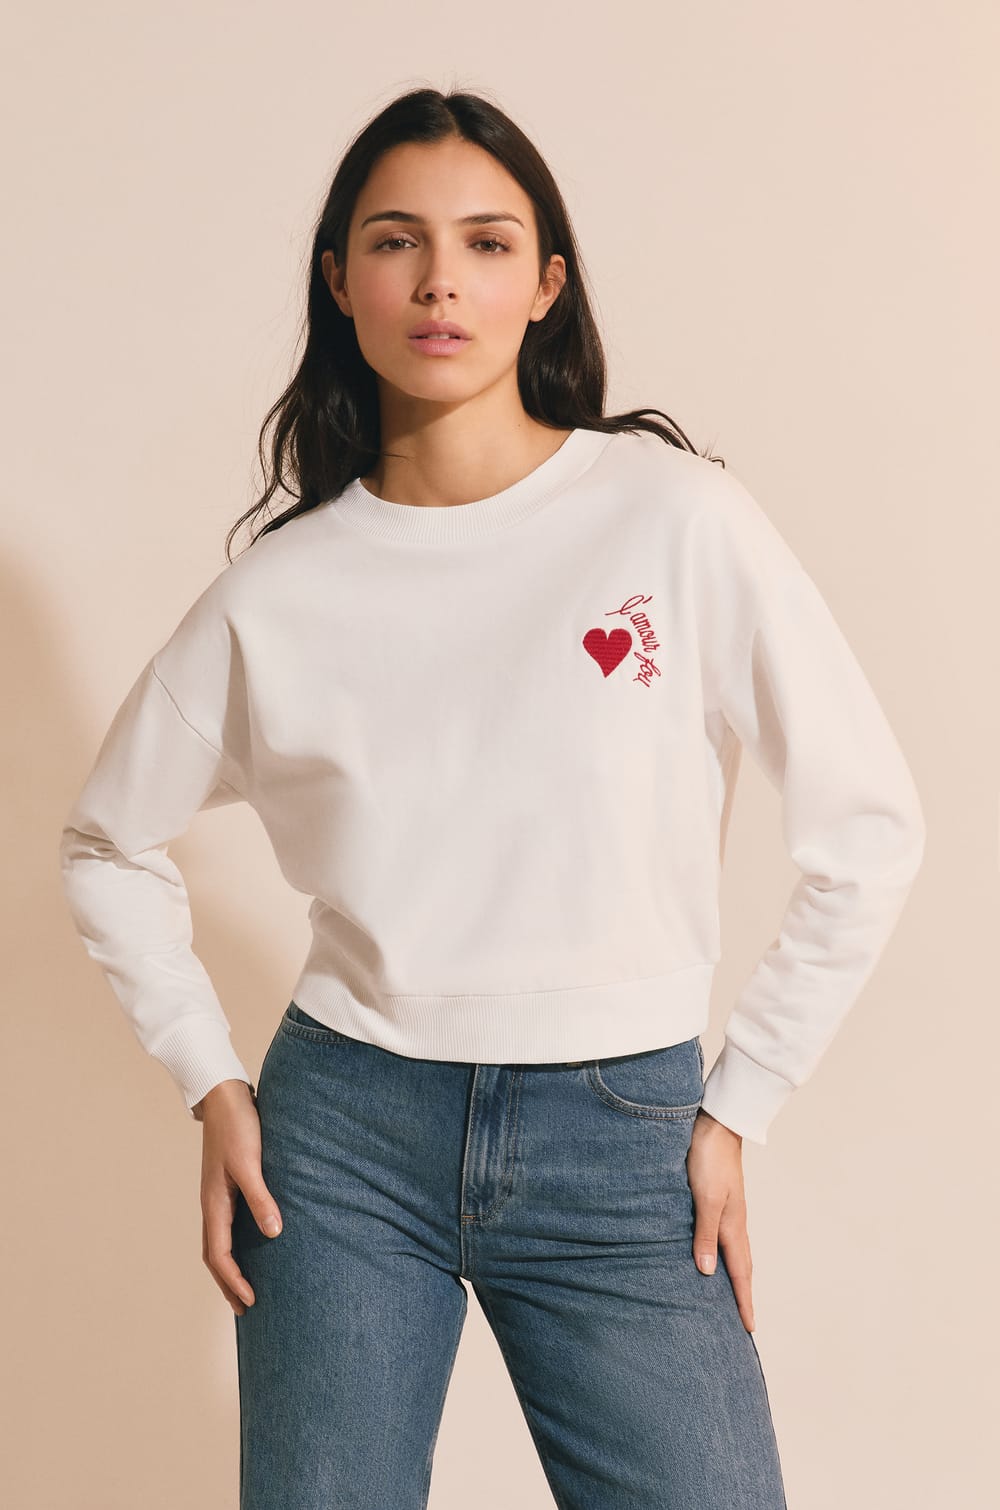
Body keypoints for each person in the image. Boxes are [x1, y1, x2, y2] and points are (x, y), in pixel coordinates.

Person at [58, 86, 926, 1509]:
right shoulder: (284, 591)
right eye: (395, 241)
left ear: (547, 284)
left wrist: (741, 1100)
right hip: (340, 1140)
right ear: (340, 281)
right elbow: (107, 841)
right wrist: (210, 1078)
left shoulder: (674, 519)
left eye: (487, 242)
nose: (440, 281)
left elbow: (871, 828)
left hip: (625, 1134)